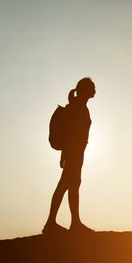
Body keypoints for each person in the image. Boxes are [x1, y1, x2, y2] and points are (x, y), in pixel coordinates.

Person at [43, 77, 96, 234]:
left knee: (72, 186)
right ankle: (52, 223)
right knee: (65, 185)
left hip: (76, 154)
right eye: (92, 87)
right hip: (74, 154)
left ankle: (74, 222)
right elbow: (72, 135)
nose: (95, 91)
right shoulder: (77, 108)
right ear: (84, 90)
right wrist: (68, 155)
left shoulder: (79, 107)